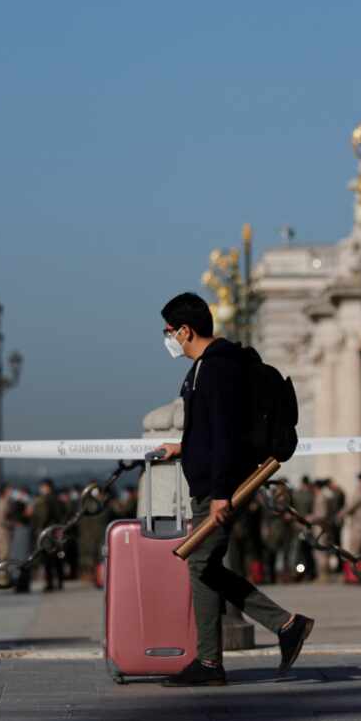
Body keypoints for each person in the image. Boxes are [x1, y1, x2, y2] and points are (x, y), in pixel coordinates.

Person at [155, 291, 313, 687]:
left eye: (169, 331)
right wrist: (182, 447)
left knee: (200, 563)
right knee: (203, 564)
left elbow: (225, 434)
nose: (168, 339)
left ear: (186, 330)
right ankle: (282, 627)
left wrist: (223, 492)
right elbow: (210, 430)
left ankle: (214, 661)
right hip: (212, 481)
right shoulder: (208, 367)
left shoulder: (217, 368)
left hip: (219, 485)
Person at [32, 479, 63, 592]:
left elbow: (44, 516)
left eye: (42, 486)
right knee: (56, 557)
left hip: (47, 532)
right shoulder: (56, 498)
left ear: (47, 487)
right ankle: (60, 582)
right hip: (55, 530)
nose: (41, 489)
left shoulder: (46, 499)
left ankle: (50, 583)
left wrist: (38, 526)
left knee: (47, 558)